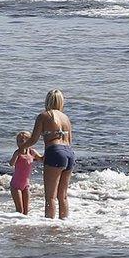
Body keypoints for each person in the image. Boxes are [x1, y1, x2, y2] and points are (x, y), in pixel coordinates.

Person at [29, 89, 75, 219]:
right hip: (69, 154)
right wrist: (43, 157)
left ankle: (50, 229)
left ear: (47, 100)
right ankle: (64, 223)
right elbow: (69, 141)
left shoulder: (44, 116)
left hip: (55, 152)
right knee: (63, 196)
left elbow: (33, 139)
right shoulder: (66, 118)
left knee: (50, 197)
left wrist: (22, 147)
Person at [8, 131, 39, 215]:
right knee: (20, 210)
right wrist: (16, 155)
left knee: (26, 211)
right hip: (15, 185)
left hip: (26, 185)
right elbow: (11, 164)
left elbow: (41, 159)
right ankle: (16, 225)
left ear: (29, 142)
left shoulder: (32, 152)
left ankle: (23, 227)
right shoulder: (17, 153)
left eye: (22, 141)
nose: (19, 143)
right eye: (18, 141)